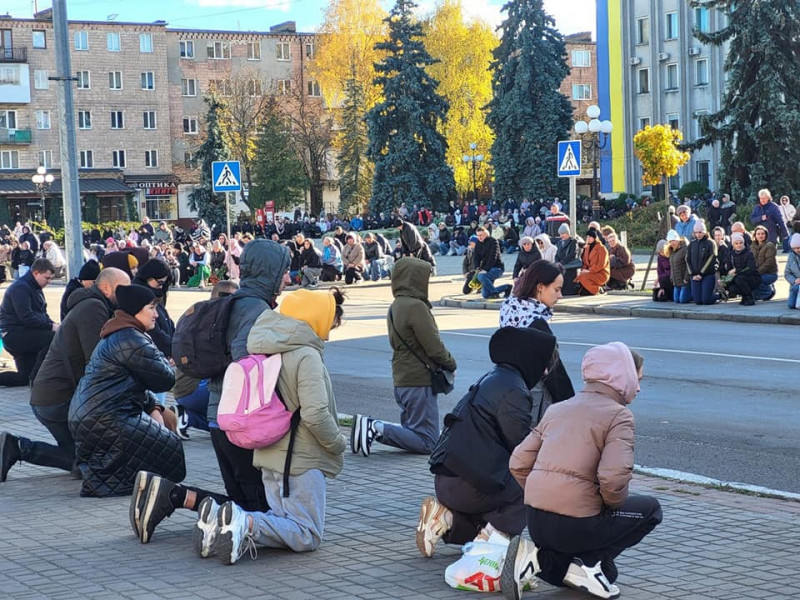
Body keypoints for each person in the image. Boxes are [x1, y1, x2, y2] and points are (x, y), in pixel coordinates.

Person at [502, 344, 662, 600]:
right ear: (621, 377)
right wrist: (609, 507)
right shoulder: (619, 416)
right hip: (578, 524)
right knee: (652, 509)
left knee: (607, 573)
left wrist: (543, 496)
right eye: (637, 379)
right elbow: (613, 478)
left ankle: (536, 558)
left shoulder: (557, 409)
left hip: (536, 521)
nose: (639, 388)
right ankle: (588, 564)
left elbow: (518, 463)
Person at [208, 288, 348, 565]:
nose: (329, 335)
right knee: (307, 534)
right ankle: (242, 521)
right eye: (329, 325)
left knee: (283, 521)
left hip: (268, 452)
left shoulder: (266, 345)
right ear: (315, 320)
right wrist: (337, 443)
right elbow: (316, 413)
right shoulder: (305, 355)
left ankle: (221, 526)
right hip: (301, 457)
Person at [418, 326, 556, 558]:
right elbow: (523, 449)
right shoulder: (514, 390)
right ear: (528, 358)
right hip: (467, 485)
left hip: (450, 479)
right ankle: (491, 541)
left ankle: (445, 518)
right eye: (543, 363)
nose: (544, 371)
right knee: (533, 482)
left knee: (499, 496)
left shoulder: (495, 378)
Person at [0, 268, 130, 482]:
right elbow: (95, 359)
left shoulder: (96, 306)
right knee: (86, 463)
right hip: (57, 398)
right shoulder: (94, 308)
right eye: (122, 288)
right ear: (106, 287)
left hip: (53, 396)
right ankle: (17, 447)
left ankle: (16, 447)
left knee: (83, 461)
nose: (126, 294)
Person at [69, 285, 184, 497]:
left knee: (160, 432)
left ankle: (104, 482)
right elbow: (164, 380)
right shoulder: (132, 339)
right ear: (136, 310)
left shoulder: (117, 334)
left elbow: (131, 384)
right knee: (172, 451)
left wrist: (155, 407)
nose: (156, 315)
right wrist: (168, 363)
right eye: (151, 308)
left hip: (89, 415)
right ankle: (119, 486)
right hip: (108, 418)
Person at [352, 258, 456, 456]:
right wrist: (451, 363)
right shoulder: (416, 307)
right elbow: (433, 346)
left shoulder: (396, 305)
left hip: (402, 377)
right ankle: (375, 426)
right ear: (414, 278)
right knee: (428, 442)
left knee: (412, 434)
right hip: (419, 378)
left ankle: (370, 428)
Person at [0, 258, 57, 387]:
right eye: (47, 278)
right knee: (52, 338)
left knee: (23, 378)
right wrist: (51, 326)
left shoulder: (33, 287)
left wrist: (53, 324)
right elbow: (26, 317)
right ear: (36, 273)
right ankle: (37, 378)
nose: (49, 282)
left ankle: (32, 377)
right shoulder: (21, 288)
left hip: (21, 333)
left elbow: (41, 313)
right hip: (14, 334)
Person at [722, 233, 761, 306]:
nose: (739, 245)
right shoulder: (730, 254)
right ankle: (744, 296)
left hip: (752, 277)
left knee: (739, 279)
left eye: (741, 243)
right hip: (736, 277)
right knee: (729, 286)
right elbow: (728, 268)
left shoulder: (749, 253)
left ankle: (749, 297)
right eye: (736, 243)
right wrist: (725, 279)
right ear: (733, 245)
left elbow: (750, 268)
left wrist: (737, 271)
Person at [473, 227, 512, 299]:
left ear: (486, 234)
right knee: (485, 295)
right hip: (485, 268)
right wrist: (477, 267)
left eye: (481, 235)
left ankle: (495, 293)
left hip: (497, 268)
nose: (479, 237)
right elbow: (476, 257)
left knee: (481, 276)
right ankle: (506, 287)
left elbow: (493, 257)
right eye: (478, 235)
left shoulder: (493, 241)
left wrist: (486, 270)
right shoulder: (478, 243)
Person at [687, 220, 718, 305]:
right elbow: (687, 259)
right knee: (698, 301)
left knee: (706, 300)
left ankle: (718, 295)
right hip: (695, 276)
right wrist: (692, 274)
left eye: (700, 232)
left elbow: (712, 258)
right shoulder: (692, 244)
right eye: (696, 232)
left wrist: (701, 273)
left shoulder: (710, 243)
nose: (698, 235)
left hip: (707, 274)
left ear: (704, 232)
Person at [574, 229, 610, 296]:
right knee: (583, 289)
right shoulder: (587, 248)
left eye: (590, 237)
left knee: (582, 276)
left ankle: (598, 289)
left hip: (600, 273)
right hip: (590, 272)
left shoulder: (602, 248)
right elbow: (585, 262)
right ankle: (595, 289)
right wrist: (583, 270)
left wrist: (588, 271)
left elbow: (601, 265)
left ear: (595, 238)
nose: (588, 239)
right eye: (587, 237)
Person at [751, 225, 778, 301]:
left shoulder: (769, 246)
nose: (760, 236)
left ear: (766, 235)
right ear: (755, 235)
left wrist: (758, 272)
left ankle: (769, 292)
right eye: (758, 234)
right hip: (757, 272)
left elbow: (769, 262)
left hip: (770, 273)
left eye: (762, 234)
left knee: (756, 280)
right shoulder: (752, 246)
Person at [785, 234, 800, 309]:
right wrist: (794, 280)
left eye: (799, 248)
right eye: (794, 248)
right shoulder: (791, 256)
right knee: (791, 305)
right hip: (796, 285)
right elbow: (787, 273)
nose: (797, 250)